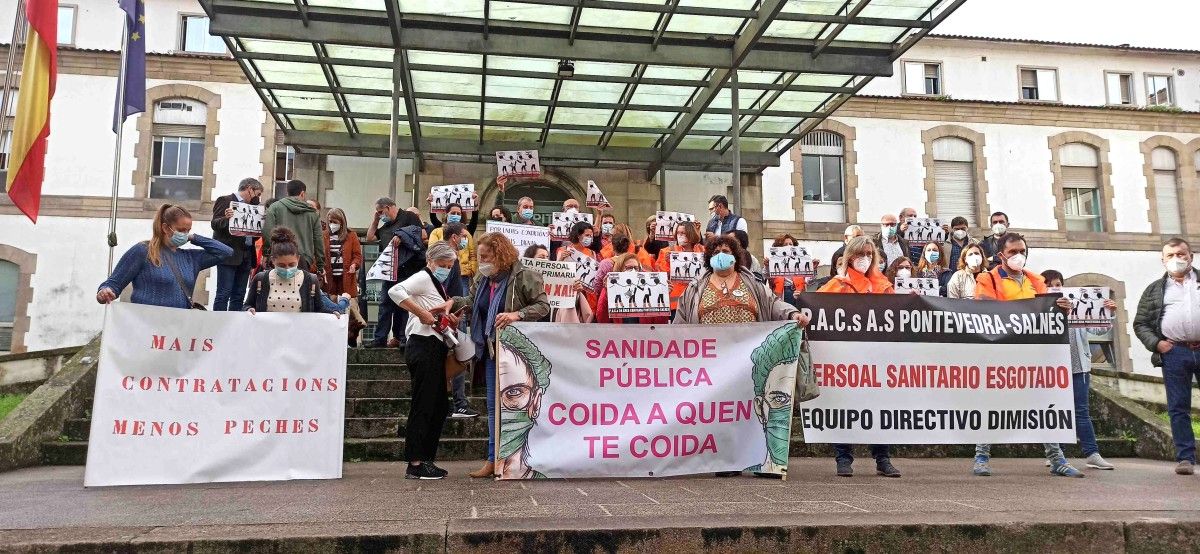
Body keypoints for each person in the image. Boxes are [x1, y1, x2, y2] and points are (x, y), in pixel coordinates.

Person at [673, 234, 808, 477]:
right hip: (712, 362)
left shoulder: (754, 284)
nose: (720, 255)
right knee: (722, 409)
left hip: (749, 361)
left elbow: (775, 304)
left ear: (736, 256)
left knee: (753, 409)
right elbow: (681, 321)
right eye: (715, 252)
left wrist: (792, 315)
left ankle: (760, 460)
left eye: (725, 251)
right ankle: (727, 460)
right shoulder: (695, 287)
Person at [972, 232, 1083, 478]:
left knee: (1045, 405)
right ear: (1000, 255)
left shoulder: (1036, 280)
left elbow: (1048, 315)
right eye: (1013, 252)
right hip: (1000, 354)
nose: (1018, 256)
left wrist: (1062, 308)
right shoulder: (987, 278)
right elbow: (982, 312)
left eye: (1022, 251)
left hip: (1034, 355)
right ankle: (981, 456)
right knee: (992, 405)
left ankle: (1056, 459)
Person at [462, 233, 550, 478]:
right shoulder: (483, 278)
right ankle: (493, 459)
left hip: (515, 353)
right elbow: (470, 301)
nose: (482, 262)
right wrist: (452, 304)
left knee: (513, 409)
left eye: (486, 257)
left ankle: (514, 458)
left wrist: (517, 315)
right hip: (490, 350)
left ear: (500, 255)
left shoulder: (524, 276)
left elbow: (543, 306)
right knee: (493, 406)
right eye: (480, 257)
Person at [814, 236, 901, 478]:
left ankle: (883, 459)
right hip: (846, 359)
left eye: (868, 254)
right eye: (859, 254)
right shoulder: (836, 285)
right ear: (849, 257)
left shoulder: (883, 285)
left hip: (877, 357)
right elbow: (816, 310)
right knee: (844, 408)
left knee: (880, 409)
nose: (864, 259)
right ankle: (843, 459)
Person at [389, 241, 468, 480]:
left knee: (438, 405)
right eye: (442, 264)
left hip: (435, 344)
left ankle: (425, 458)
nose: (446, 269)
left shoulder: (437, 285)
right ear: (430, 262)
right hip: (422, 345)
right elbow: (395, 291)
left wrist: (448, 320)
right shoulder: (423, 278)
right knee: (424, 403)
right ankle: (415, 462)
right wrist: (420, 312)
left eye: (449, 265)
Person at [1133, 238, 1200, 476]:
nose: (1176, 259)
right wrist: (1158, 344)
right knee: (1178, 407)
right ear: (1162, 260)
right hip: (1174, 352)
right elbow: (1141, 324)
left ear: (1191, 256)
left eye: (1181, 254)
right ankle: (1185, 458)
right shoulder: (1154, 290)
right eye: (1170, 256)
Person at [1042, 269, 1117, 471]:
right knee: (1056, 411)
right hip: (1053, 369)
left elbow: (1099, 329)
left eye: (1057, 284)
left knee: (1081, 411)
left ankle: (1092, 453)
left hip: (1078, 367)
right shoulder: (1040, 309)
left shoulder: (1078, 307)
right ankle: (1058, 454)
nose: (1054, 288)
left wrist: (1110, 312)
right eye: (1049, 284)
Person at [98, 205, 233, 308]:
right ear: (166, 228)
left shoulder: (191, 258)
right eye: (181, 230)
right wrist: (106, 291)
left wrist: (194, 238)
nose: (185, 234)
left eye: (188, 230)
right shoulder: (143, 251)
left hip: (176, 329)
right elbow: (113, 283)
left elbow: (226, 252)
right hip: (146, 327)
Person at [366, 197, 426, 348]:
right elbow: (370, 237)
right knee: (385, 305)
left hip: (409, 269)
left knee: (405, 306)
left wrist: (402, 235)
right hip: (390, 270)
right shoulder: (385, 226)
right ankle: (379, 339)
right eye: (378, 213)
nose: (380, 215)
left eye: (381, 212)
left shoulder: (408, 216)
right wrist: (375, 220)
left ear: (388, 207)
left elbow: (423, 235)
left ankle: (403, 338)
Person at [244, 227, 338, 314]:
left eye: (291, 264)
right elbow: (247, 305)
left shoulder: (310, 280)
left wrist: (332, 313)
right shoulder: (261, 279)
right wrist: (249, 309)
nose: (287, 269)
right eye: (281, 265)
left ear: (298, 259)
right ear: (273, 260)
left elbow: (319, 308)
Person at [211, 178, 264, 311]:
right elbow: (215, 224)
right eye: (257, 194)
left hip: (246, 255)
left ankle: (234, 325)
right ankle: (218, 324)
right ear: (249, 189)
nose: (258, 198)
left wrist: (260, 225)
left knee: (239, 294)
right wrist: (227, 219)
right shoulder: (225, 200)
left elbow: (254, 236)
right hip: (229, 255)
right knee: (224, 293)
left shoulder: (254, 209)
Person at [263, 179, 325, 278]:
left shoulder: (274, 208)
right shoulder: (312, 213)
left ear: (287, 192)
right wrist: (320, 265)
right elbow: (318, 239)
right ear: (302, 193)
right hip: (303, 258)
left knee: (277, 291)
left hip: (279, 256)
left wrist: (266, 254)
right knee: (300, 291)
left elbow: (267, 233)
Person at [323, 208, 365, 346]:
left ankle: (353, 334)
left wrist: (354, 265)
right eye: (330, 221)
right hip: (330, 277)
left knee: (350, 304)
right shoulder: (324, 235)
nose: (332, 224)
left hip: (346, 276)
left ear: (342, 222)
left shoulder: (351, 235)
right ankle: (335, 336)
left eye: (335, 222)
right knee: (332, 303)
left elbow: (357, 255)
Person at [596, 253, 669, 324]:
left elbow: (661, 323)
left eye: (636, 268)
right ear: (619, 269)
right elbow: (602, 320)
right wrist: (607, 293)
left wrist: (663, 296)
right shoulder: (609, 288)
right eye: (629, 268)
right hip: (619, 335)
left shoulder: (646, 289)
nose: (633, 271)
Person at [655, 220, 704, 314]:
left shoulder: (703, 250)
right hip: (676, 303)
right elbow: (661, 275)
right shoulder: (667, 251)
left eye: (683, 233)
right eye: (678, 233)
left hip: (698, 301)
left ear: (691, 234)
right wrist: (668, 262)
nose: (680, 235)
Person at [429, 202, 478, 294]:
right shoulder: (437, 231)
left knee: (461, 302)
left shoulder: (466, 233)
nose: (456, 216)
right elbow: (432, 252)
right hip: (443, 271)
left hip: (463, 274)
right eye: (453, 213)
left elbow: (472, 254)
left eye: (458, 214)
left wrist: (471, 270)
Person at [769, 234, 808, 307]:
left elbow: (809, 279)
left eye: (791, 244)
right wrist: (767, 266)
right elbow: (767, 276)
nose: (788, 246)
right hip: (782, 294)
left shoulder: (801, 260)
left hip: (797, 293)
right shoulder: (774, 261)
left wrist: (814, 268)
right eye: (785, 244)